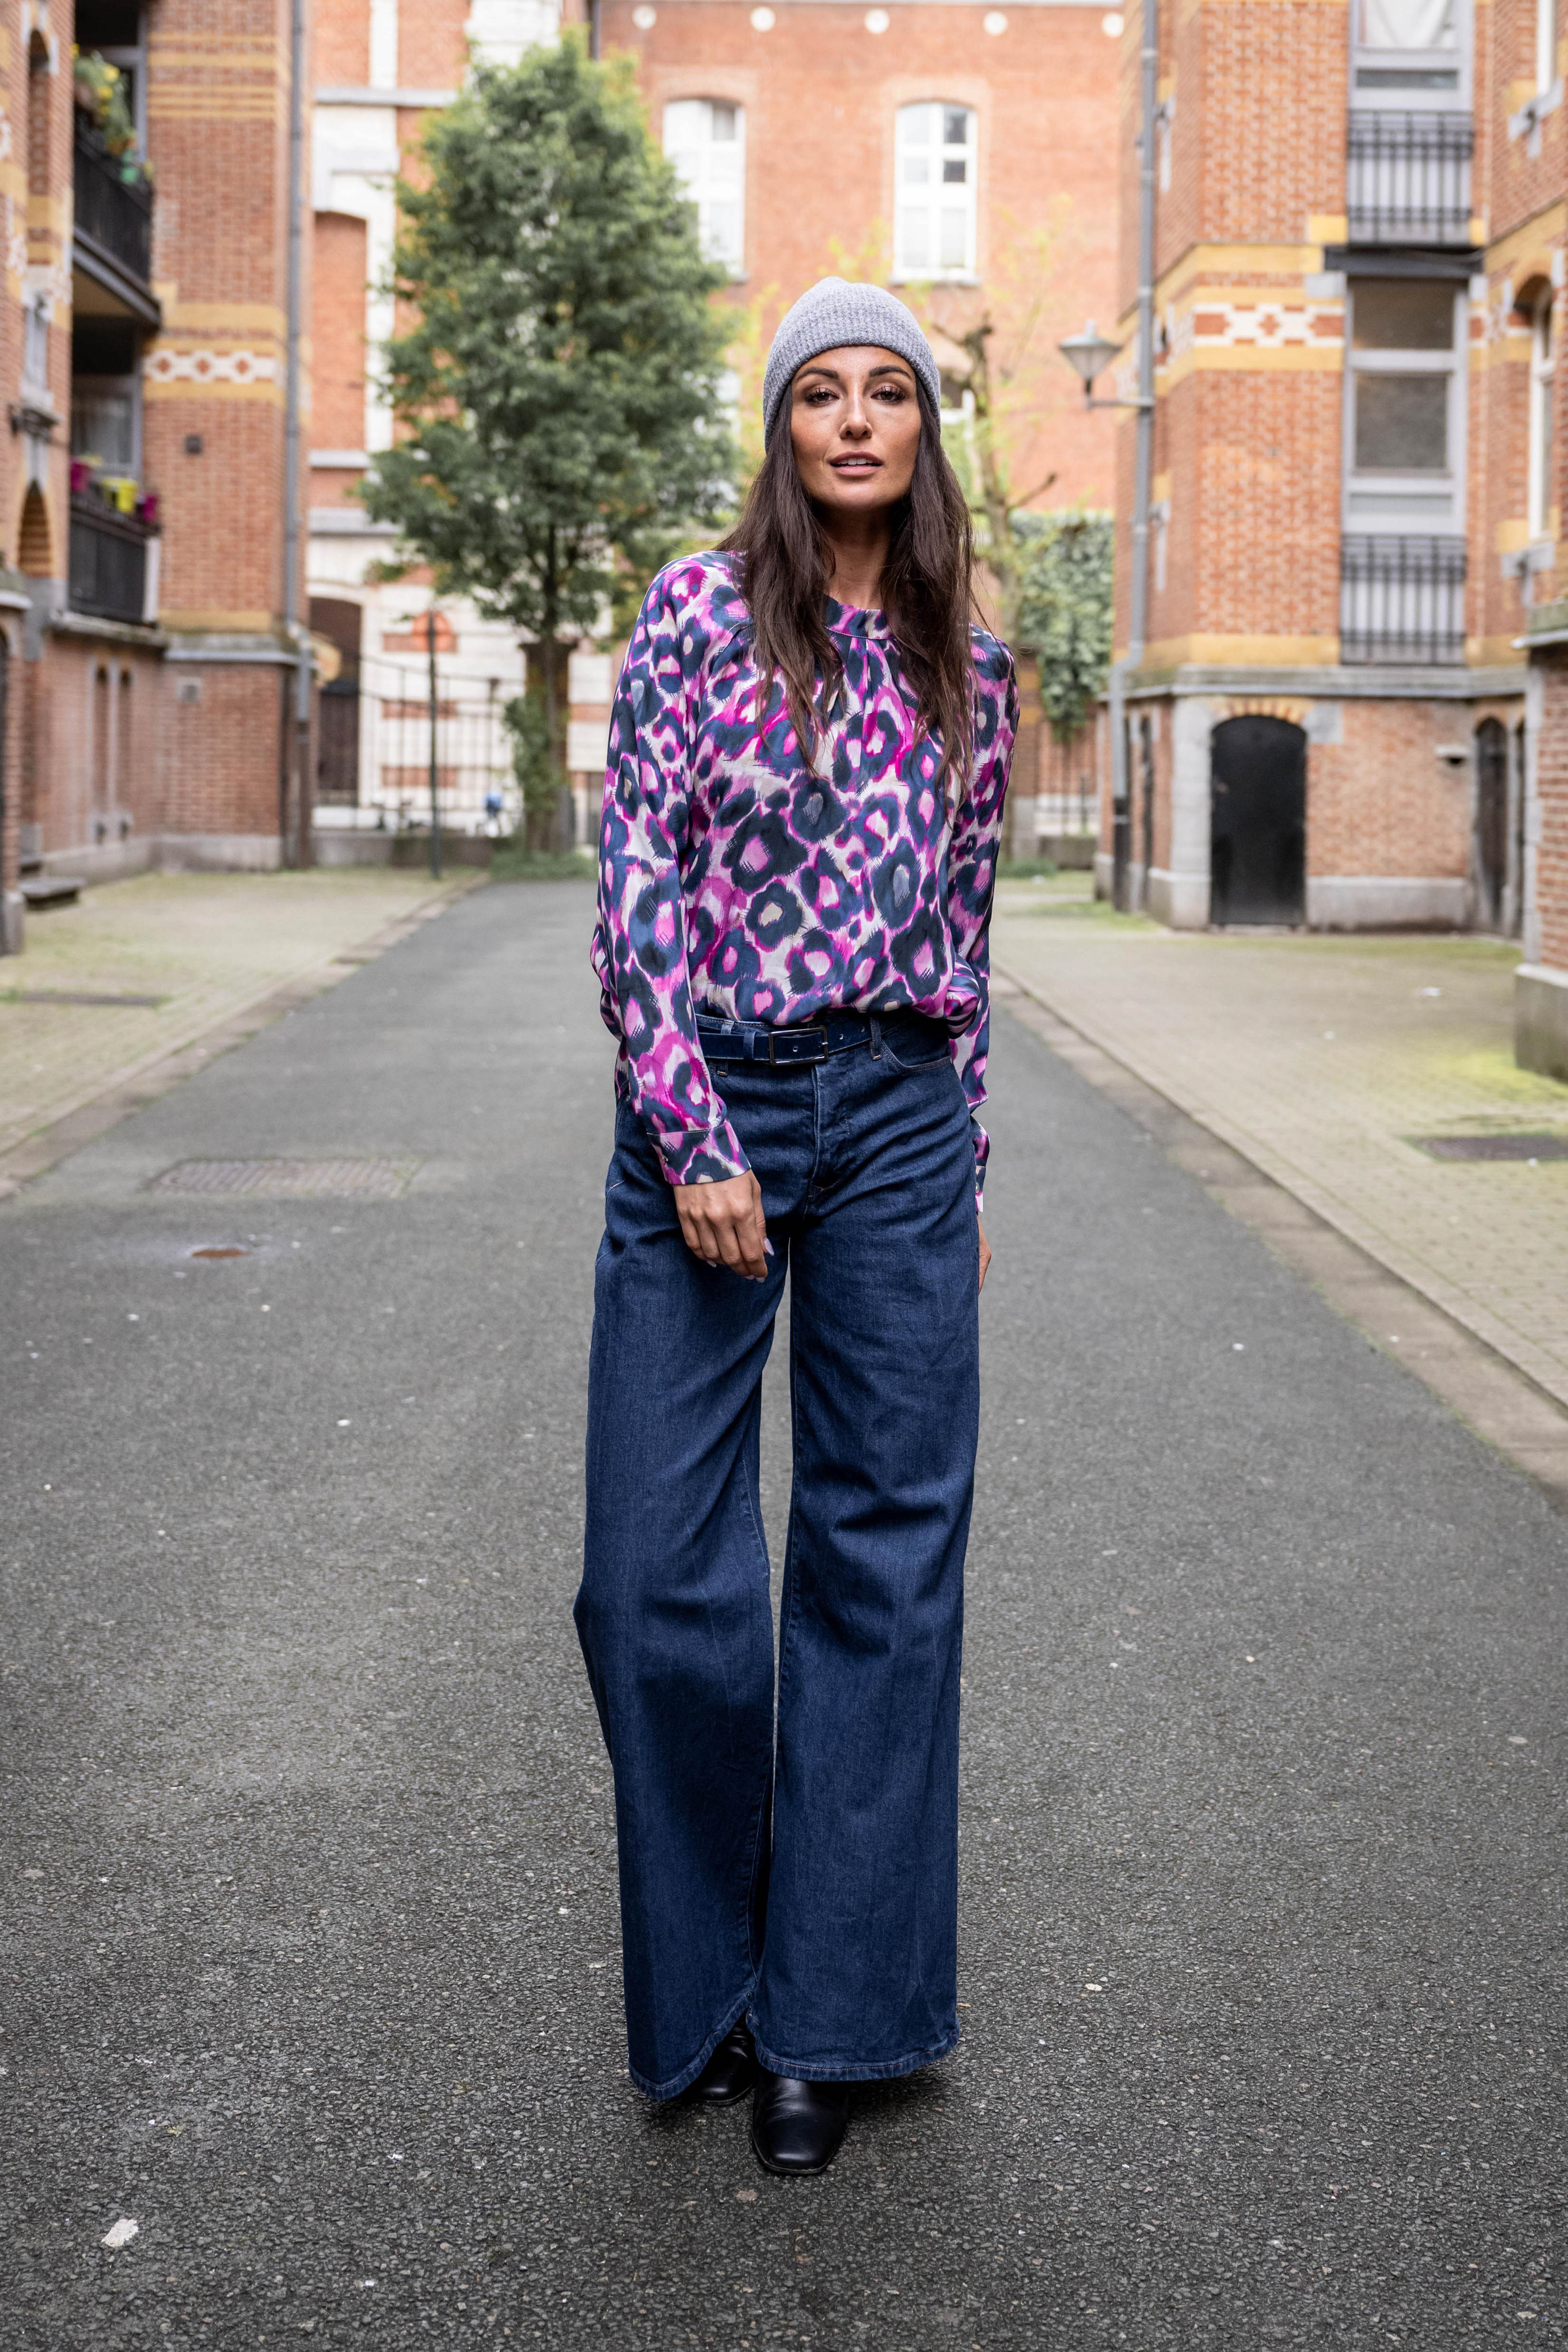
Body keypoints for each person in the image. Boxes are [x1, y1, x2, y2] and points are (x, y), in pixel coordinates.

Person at [576, 277, 1017, 2178]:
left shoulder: (969, 661)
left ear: (923, 433)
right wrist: (692, 1131)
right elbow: (635, 885)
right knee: (653, 1576)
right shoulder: (694, 612)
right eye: (819, 393)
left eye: (888, 392)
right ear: (781, 427)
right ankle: (718, 1979)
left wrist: (970, 1159)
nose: (853, 420)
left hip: (904, 1112)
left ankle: (830, 2016)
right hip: (716, 1102)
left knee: (880, 1560)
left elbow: (972, 934)